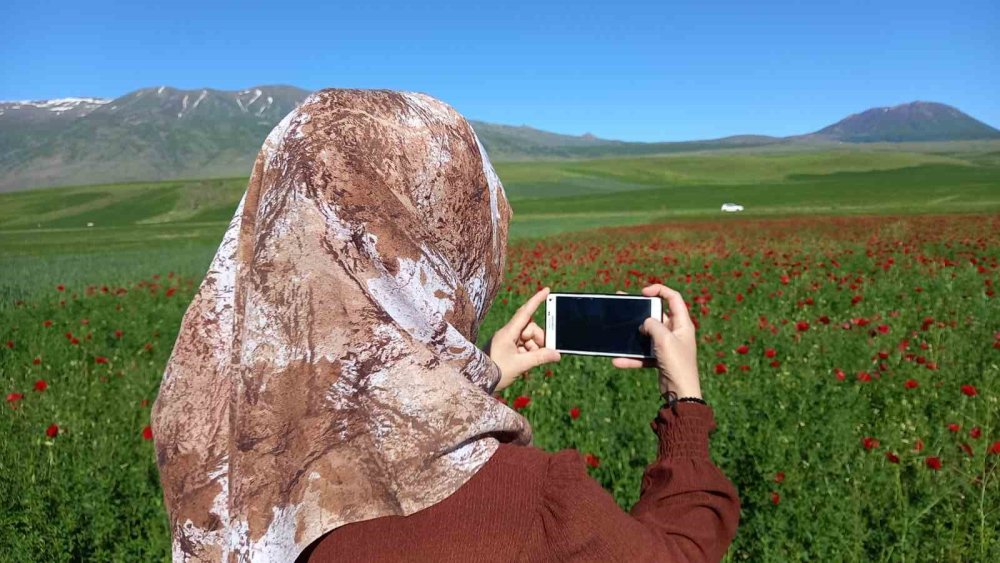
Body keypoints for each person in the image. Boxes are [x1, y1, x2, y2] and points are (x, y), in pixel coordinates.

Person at [152, 89, 739, 563]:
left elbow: (358, 419)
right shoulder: (530, 508)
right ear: (451, 242)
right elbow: (678, 553)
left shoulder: (212, 449)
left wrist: (472, 380)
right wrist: (683, 401)